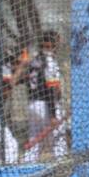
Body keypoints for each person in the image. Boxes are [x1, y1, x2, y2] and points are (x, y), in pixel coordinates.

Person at [22, 30, 68, 163]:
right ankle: (62, 167)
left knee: (34, 141)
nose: (59, 45)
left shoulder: (35, 60)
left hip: (32, 104)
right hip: (47, 105)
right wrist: (53, 114)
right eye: (57, 42)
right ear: (52, 43)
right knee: (58, 141)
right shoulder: (50, 62)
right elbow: (51, 89)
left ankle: (26, 168)